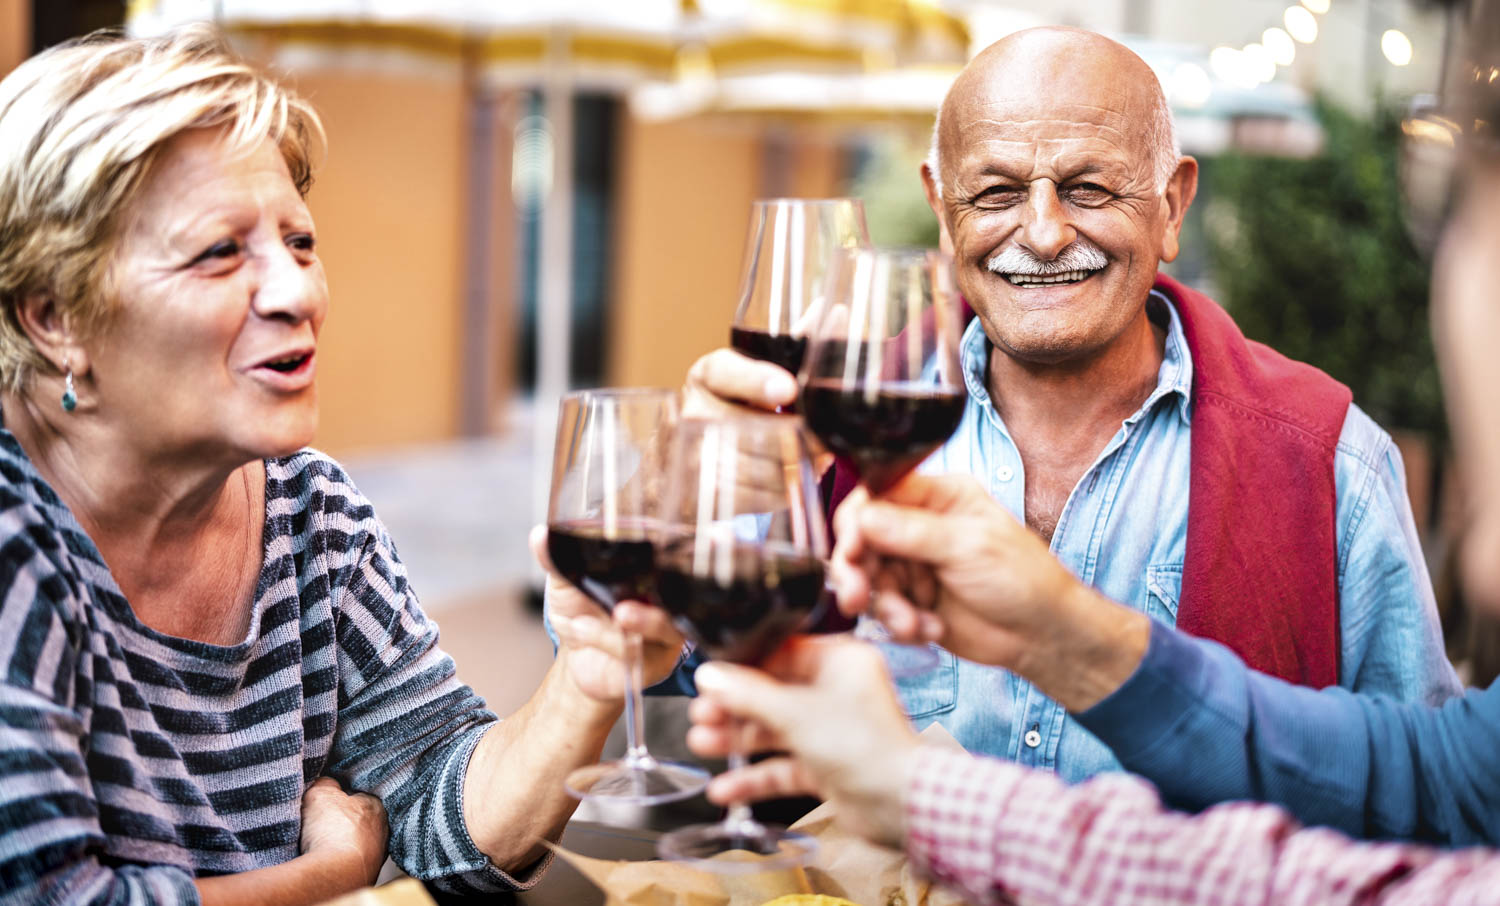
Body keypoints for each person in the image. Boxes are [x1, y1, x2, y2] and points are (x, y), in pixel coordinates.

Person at [679, 5, 1500, 902]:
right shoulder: (827, 433)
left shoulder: (1335, 463)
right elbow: (690, 680)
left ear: (1172, 205)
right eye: (996, 193)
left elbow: (1434, 803)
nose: (1042, 232)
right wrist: (683, 519)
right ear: (941, 211)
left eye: (1089, 188)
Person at [0, 26, 679, 905]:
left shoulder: (312, 512)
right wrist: (332, 875)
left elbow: (437, 799)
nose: (298, 293)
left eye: (300, 242)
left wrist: (585, 681)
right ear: (55, 316)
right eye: (220, 252)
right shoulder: (17, 542)